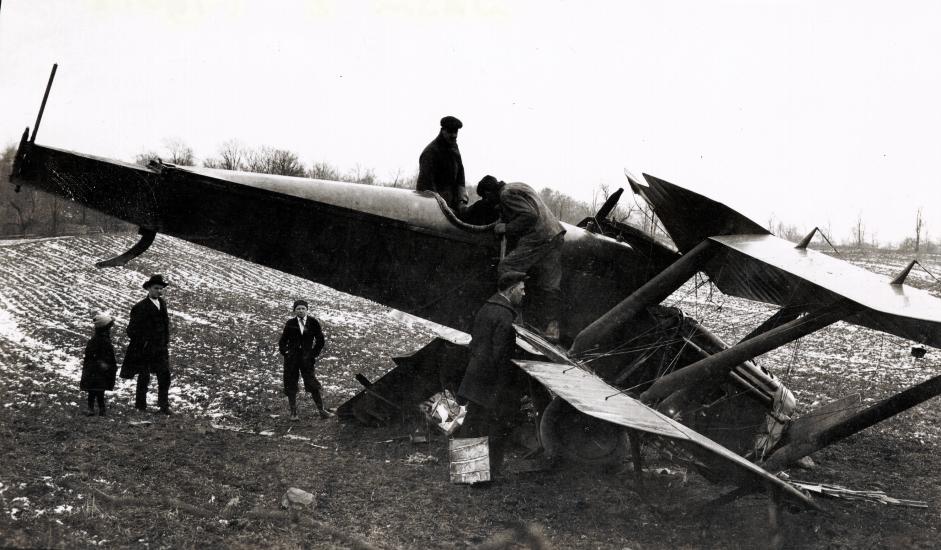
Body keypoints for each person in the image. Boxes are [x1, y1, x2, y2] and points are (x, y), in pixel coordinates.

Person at [475, 175, 566, 341]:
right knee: (549, 284)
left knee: (507, 268)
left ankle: (514, 320)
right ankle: (552, 328)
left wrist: (506, 227)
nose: (487, 201)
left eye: (486, 197)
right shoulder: (517, 186)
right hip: (555, 234)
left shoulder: (505, 194)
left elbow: (529, 215)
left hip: (538, 236)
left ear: (489, 192)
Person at [457, 271, 528, 475]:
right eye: (522, 289)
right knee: (493, 428)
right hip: (492, 382)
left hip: (476, 375)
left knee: (472, 424)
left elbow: (476, 342)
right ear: (512, 289)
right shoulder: (506, 316)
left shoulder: (487, 307)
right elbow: (501, 355)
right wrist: (510, 385)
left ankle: (465, 471)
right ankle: (484, 476)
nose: (524, 294)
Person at [121, 274, 173, 415]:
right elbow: (131, 330)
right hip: (146, 349)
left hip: (161, 348)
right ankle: (140, 405)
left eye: (161, 289)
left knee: (164, 376)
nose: (159, 291)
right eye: (156, 288)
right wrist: (144, 342)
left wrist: (165, 340)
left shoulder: (162, 303)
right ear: (149, 288)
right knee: (144, 377)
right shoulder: (140, 307)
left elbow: (165, 324)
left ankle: (163, 405)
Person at [278, 299, 332, 420]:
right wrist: (286, 352)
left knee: (312, 382)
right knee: (291, 384)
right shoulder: (290, 323)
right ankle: (293, 413)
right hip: (291, 360)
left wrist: (313, 354)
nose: (301, 311)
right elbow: (282, 341)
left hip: (307, 359)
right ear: (294, 310)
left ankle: (321, 410)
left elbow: (320, 340)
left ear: (307, 310)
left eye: (303, 308)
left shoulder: (313, 322)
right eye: (298, 309)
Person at [417, 115, 468, 214]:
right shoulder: (430, 152)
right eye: (450, 131)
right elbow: (426, 186)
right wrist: (442, 209)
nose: (454, 135)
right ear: (442, 130)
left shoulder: (454, 147)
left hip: (453, 204)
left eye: (456, 132)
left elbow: (460, 175)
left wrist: (462, 202)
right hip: (436, 208)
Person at [80, 312, 118, 417]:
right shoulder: (99, 340)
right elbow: (92, 354)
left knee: (97, 390)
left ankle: (96, 409)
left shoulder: (100, 338)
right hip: (97, 369)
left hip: (98, 369)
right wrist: (102, 363)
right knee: (97, 390)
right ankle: (97, 409)